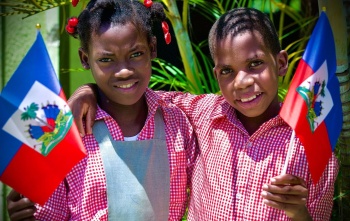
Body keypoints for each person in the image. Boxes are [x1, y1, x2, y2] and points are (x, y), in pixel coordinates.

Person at [63, 6, 339, 221]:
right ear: (216, 75)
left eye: (255, 64)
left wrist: (299, 214)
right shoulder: (204, 114)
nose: (242, 82)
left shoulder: (312, 147)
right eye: (227, 71)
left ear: (280, 63)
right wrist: (86, 90)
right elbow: (134, 94)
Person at [6, 0, 198, 220]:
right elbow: (49, 214)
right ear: (85, 59)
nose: (124, 71)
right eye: (106, 59)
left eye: (135, 54)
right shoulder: (65, 132)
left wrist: (86, 90)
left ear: (152, 48)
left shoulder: (177, 122)